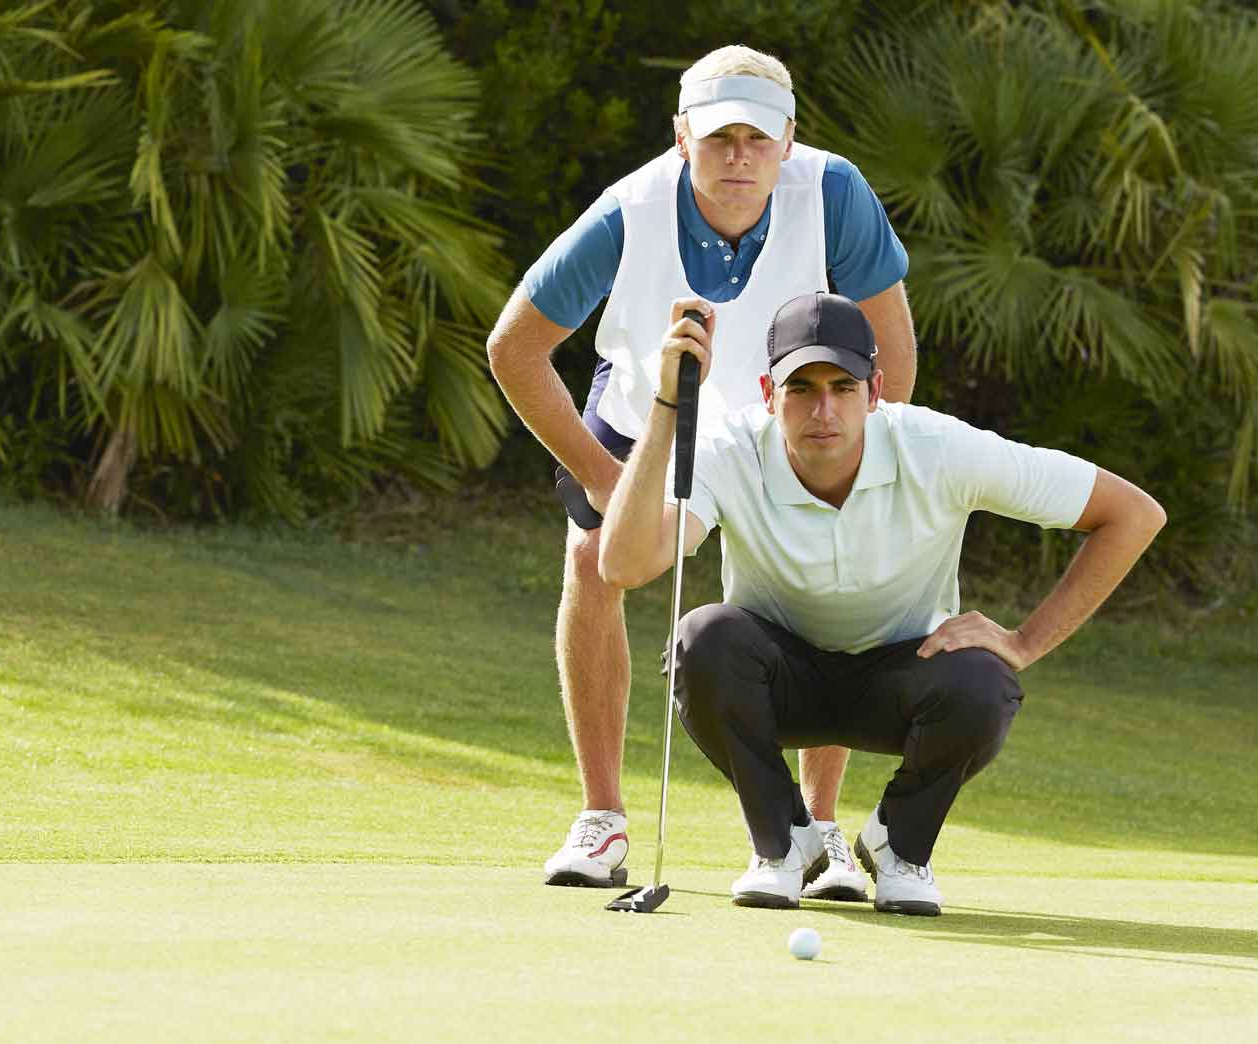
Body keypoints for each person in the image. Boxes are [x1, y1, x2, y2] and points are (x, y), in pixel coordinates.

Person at [485, 45, 917, 897]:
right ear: (683, 137)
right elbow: (515, 348)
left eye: (757, 139)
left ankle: (818, 828)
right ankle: (602, 818)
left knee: (829, 573)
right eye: (719, 138)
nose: (738, 157)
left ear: (788, 139)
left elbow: (891, 354)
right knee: (591, 557)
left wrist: (852, 464)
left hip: (782, 413)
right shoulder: (630, 211)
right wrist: (600, 478)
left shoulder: (834, 192)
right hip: (649, 403)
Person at [597, 292, 1167, 915]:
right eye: (801, 388)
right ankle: (783, 842)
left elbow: (1132, 514)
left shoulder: (939, 447)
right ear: (768, 393)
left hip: (902, 681)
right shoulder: (729, 449)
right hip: (779, 682)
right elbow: (623, 565)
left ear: (875, 392)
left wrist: (1025, 642)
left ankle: (900, 844)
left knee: (984, 681)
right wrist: (667, 406)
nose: (824, 410)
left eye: (843, 387)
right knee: (703, 638)